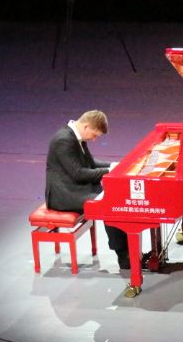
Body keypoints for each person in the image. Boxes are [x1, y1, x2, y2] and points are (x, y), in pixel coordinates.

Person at [45, 110, 130, 268]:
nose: (94, 139)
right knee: (109, 205)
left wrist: (116, 166)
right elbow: (78, 173)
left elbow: (90, 163)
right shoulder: (63, 140)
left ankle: (129, 250)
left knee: (117, 198)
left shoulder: (77, 136)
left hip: (75, 187)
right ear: (86, 126)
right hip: (63, 195)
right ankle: (124, 256)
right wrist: (109, 171)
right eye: (95, 135)